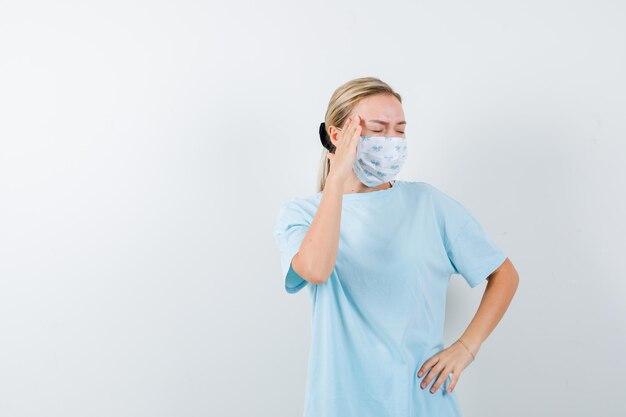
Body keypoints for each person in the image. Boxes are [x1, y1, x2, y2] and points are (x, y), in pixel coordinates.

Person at [272, 76, 519, 417]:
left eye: (399, 130)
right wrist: (336, 180)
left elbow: (504, 274)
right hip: (340, 404)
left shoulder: (429, 204)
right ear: (336, 135)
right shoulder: (302, 213)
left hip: (422, 400)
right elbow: (316, 269)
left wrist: (466, 348)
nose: (391, 141)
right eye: (377, 128)